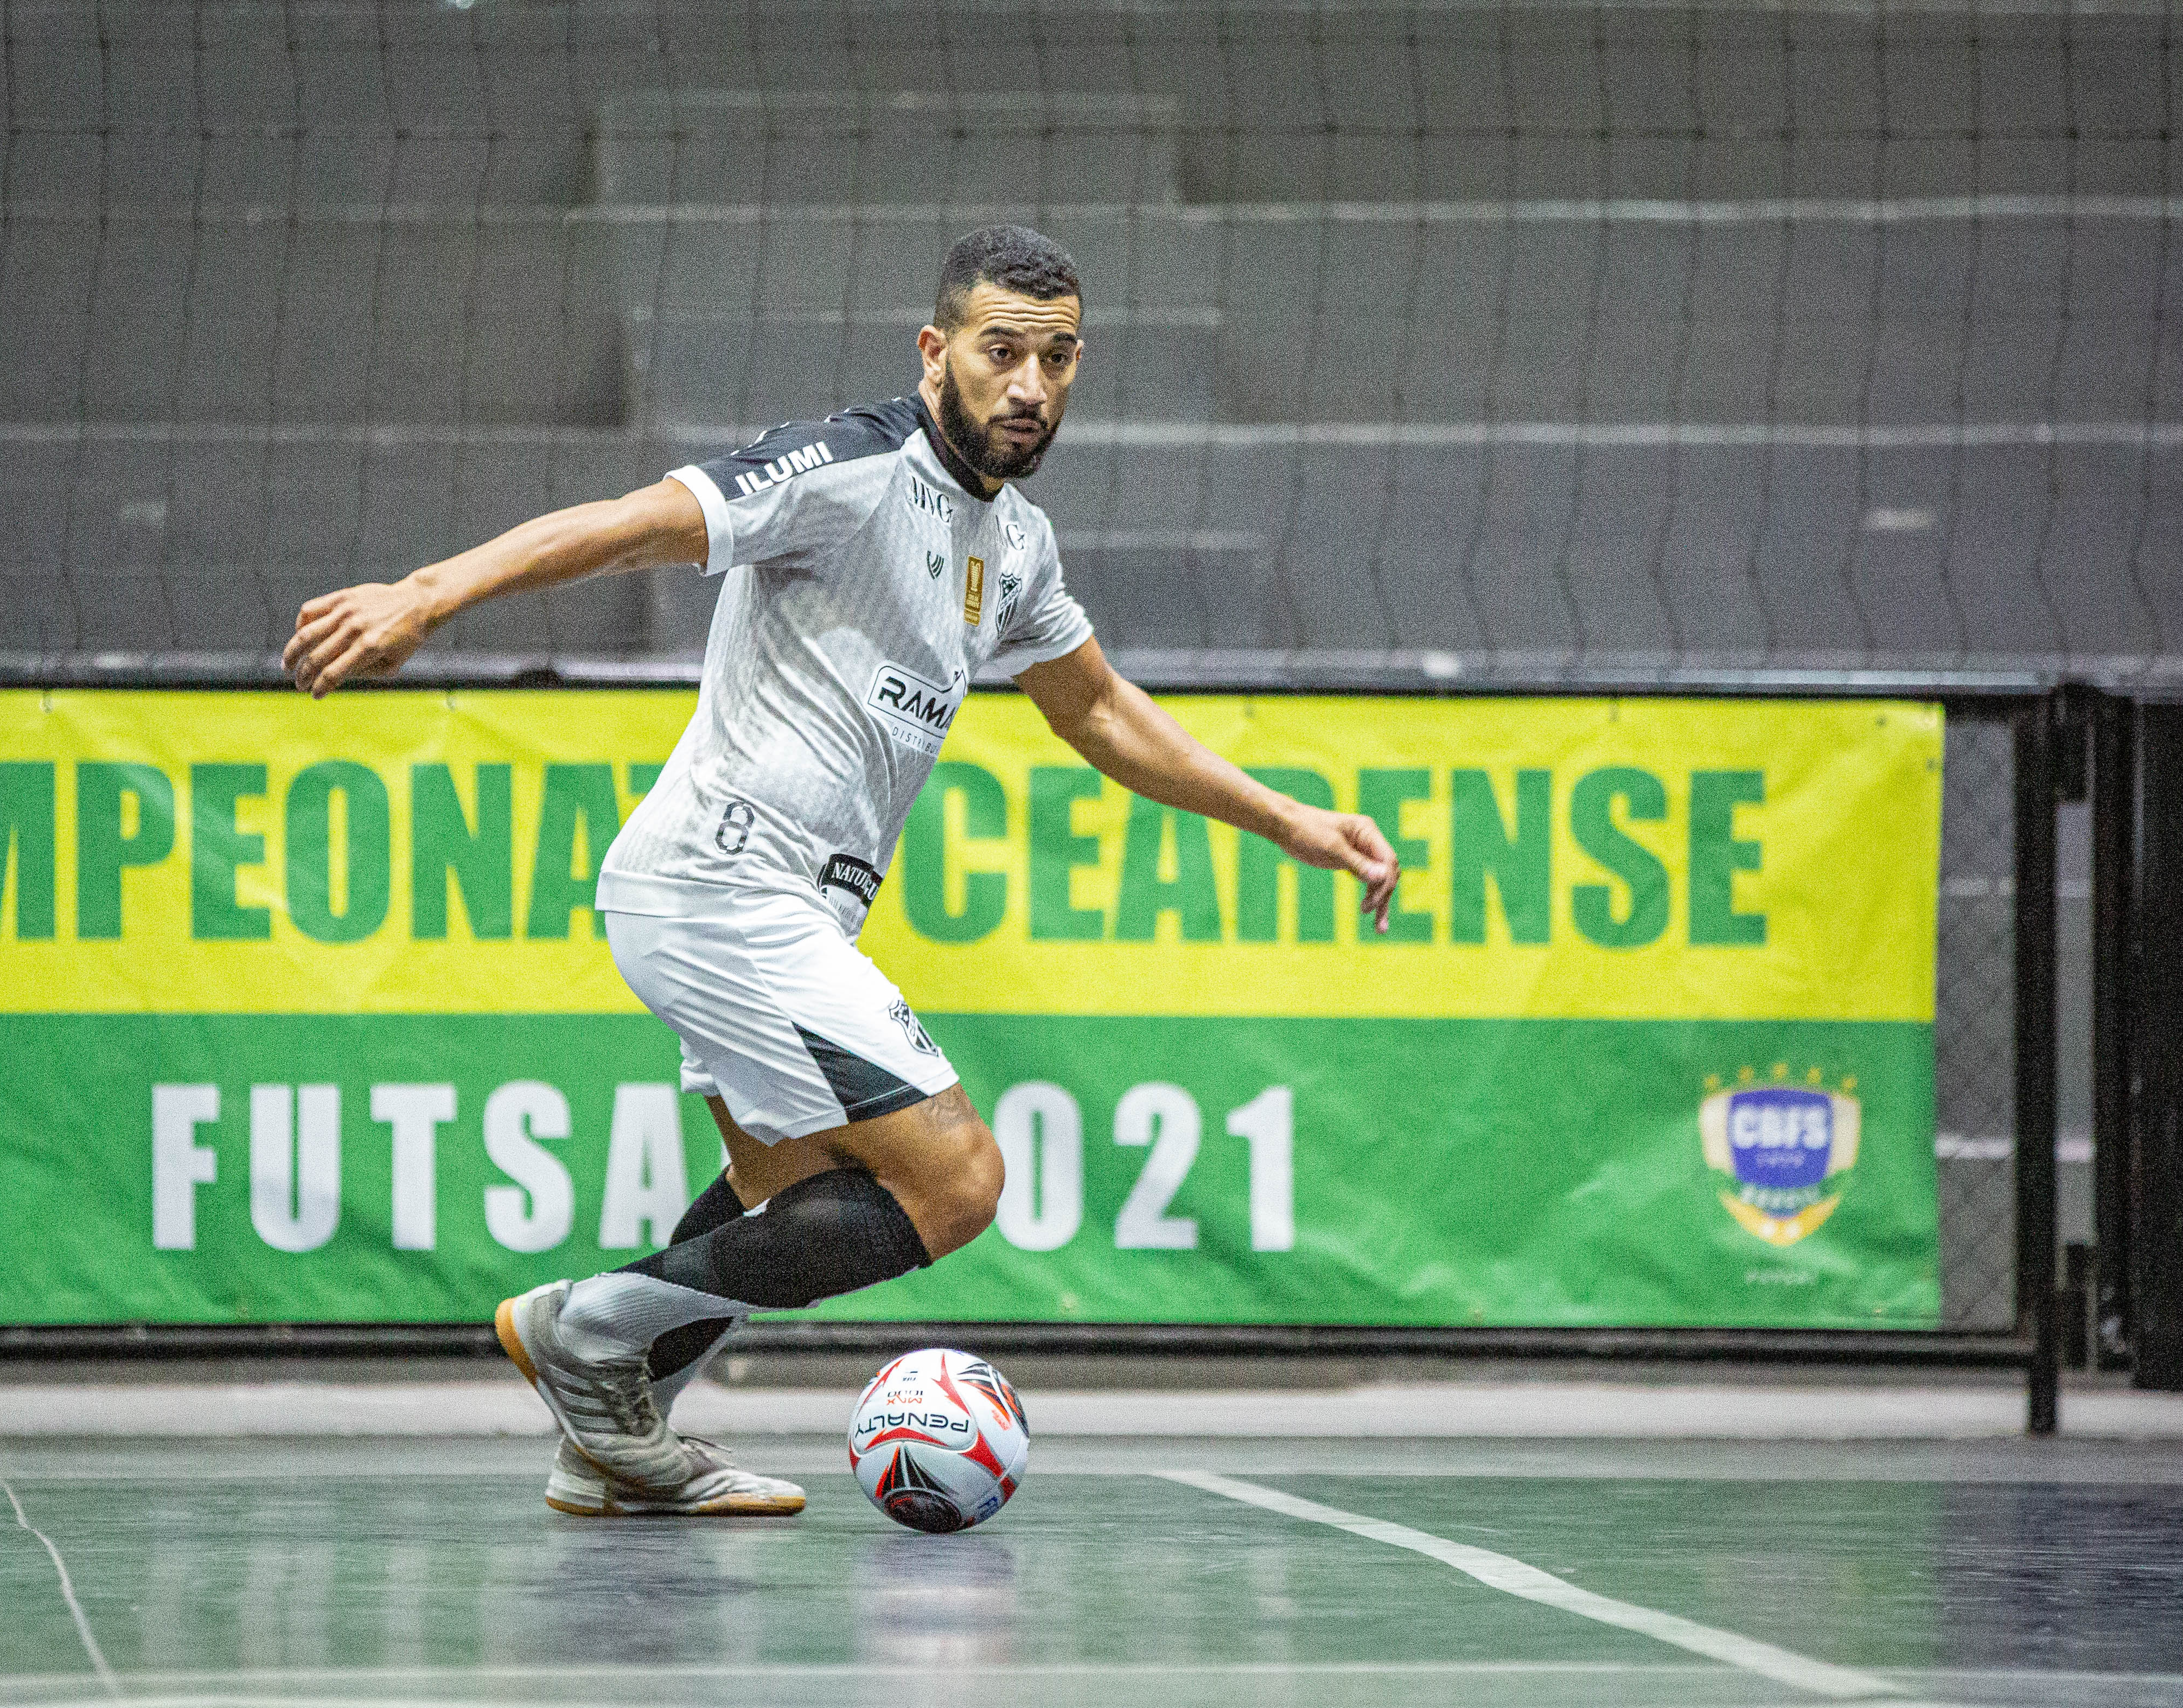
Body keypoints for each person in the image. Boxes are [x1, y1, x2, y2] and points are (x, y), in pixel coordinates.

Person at [283, 225, 1399, 1516]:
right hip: (725, 887)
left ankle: (612, 1445)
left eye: (1056, 358)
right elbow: (639, 525)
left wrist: (1288, 821)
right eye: (1000, 352)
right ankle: (588, 1331)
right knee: (957, 1183)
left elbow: (1096, 712)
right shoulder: (852, 467)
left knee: (794, 1190)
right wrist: (427, 593)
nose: (1029, 385)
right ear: (936, 353)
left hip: (764, 909)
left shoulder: (1017, 545)